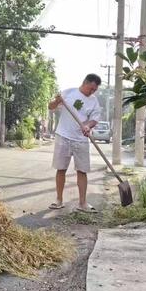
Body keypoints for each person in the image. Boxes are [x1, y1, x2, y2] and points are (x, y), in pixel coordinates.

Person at [47, 74, 102, 212]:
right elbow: (51, 106)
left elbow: (94, 119)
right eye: (91, 89)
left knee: (82, 171)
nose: (92, 92)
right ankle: (59, 200)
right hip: (63, 136)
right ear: (85, 83)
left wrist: (88, 126)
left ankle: (82, 203)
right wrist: (57, 100)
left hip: (81, 140)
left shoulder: (94, 101)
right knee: (61, 169)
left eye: (94, 90)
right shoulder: (68, 92)